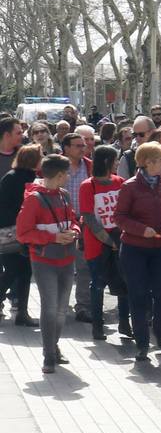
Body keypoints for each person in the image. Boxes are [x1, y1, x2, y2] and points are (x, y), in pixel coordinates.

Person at [112, 141, 161, 362]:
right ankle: (142, 343)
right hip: (135, 249)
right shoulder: (129, 186)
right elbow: (120, 218)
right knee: (138, 295)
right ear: (148, 162)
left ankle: (158, 330)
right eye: (160, 160)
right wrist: (142, 230)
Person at [17, 155, 81, 373]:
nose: (69, 177)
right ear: (60, 175)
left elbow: (73, 220)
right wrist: (53, 238)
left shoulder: (63, 195)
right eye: (67, 173)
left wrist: (75, 231)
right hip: (44, 261)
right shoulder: (34, 199)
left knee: (61, 309)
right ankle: (48, 354)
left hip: (66, 259)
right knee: (50, 307)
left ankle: (53, 347)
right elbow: (23, 233)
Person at [79, 145, 128, 340]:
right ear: (107, 162)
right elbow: (89, 218)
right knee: (98, 284)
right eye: (115, 159)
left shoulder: (120, 182)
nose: (118, 163)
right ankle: (98, 326)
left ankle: (124, 322)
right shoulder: (87, 186)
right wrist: (108, 240)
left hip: (120, 239)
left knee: (124, 282)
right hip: (97, 244)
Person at [0, 145, 44, 326]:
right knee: (15, 270)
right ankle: (22, 312)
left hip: (17, 230)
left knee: (23, 270)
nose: (42, 159)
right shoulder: (21, 179)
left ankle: (23, 312)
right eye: (40, 156)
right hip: (14, 232)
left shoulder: (14, 176)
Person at [59, 133, 93, 322]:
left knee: (83, 266)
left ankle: (83, 306)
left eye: (85, 145)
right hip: (59, 224)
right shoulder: (55, 166)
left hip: (84, 222)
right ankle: (59, 304)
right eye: (78, 145)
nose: (83, 148)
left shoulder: (89, 165)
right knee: (60, 267)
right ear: (66, 148)